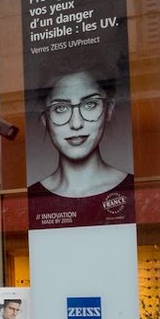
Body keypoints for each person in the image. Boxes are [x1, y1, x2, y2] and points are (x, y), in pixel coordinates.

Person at [27, 64, 134, 229]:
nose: (76, 123)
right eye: (60, 108)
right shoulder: (30, 200)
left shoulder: (134, 191)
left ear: (109, 110)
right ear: (45, 119)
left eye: (90, 104)